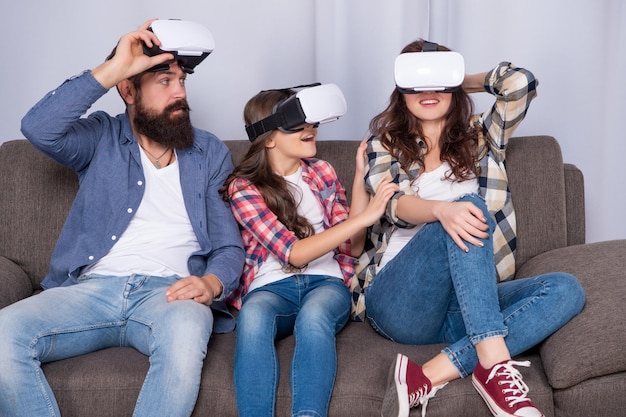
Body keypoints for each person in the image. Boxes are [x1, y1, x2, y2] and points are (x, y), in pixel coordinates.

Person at [0, 19, 245, 417]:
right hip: (91, 291)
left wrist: (212, 282)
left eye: (182, 80)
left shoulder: (209, 152)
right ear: (128, 90)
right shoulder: (99, 137)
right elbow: (38, 128)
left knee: (185, 337)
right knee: (2, 335)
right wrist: (114, 67)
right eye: (164, 81)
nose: (180, 92)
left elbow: (228, 244)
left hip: (170, 294)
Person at [350, 40, 586, 417]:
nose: (428, 92)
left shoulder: (481, 137)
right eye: (417, 83)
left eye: (438, 82)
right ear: (401, 90)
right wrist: (442, 210)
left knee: (565, 289)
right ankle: (494, 367)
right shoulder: (385, 144)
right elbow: (392, 205)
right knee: (466, 208)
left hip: (466, 307)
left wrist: (456, 79)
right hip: (399, 302)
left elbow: (520, 83)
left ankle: (428, 374)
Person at [220, 85, 398, 417]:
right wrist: (369, 215)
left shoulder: (322, 172)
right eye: (298, 124)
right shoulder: (244, 188)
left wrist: (360, 177)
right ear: (269, 138)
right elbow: (294, 253)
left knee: (314, 319)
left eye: (312, 123)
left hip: (326, 283)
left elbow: (354, 245)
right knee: (253, 319)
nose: (311, 130)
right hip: (270, 287)